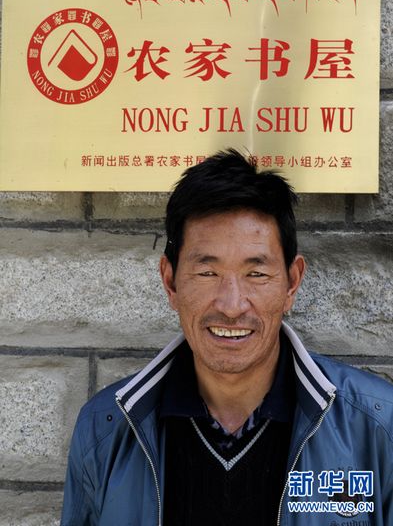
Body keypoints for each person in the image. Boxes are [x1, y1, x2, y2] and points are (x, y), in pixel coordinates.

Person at [61, 149, 393, 526]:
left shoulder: (377, 425)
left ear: (292, 282)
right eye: (207, 273)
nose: (232, 306)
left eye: (256, 274)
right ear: (170, 282)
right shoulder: (106, 429)